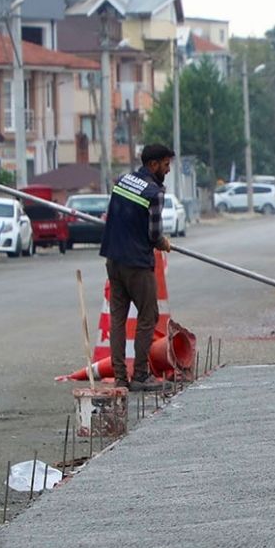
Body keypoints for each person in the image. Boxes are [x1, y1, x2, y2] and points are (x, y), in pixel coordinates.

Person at [99, 143, 174, 393]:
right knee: (148, 315)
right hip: (137, 264)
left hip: (113, 259)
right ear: (153, 165)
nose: (168, 169)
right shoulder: (154, 192)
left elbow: (119, 217)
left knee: (118, 319)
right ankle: (141, 375)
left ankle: (121, 378)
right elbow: (153, 234)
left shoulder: (123, 181)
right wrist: (162, 242)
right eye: (165, 164)